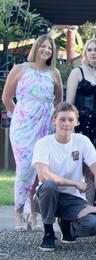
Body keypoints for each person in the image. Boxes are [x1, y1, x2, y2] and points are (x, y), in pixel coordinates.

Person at [2, 34, 63, 232]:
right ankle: (19, 213)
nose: (46, 50)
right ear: (36, 48)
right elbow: (7, 98)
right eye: (43, 46)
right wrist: (21, 115)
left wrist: (49, 120)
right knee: (23, 169)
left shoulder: (54, 73)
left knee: (40, 170)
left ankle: (33, 213)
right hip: (22, 128)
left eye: (50, 48)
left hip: (45, 127)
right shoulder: (20, 69)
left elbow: (58, 102)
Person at [33, 102, 96, 251]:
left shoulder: (82, 141)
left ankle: (67, 225)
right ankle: (48, 233)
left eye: (71, 120)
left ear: (76, 122)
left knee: (93, 225)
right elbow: (43, 175)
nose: (66, 124)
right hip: (45, 197)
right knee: (50, 185)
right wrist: (74, 183)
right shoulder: (43, 143)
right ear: (54, 120)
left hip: (72, 199)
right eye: (62, 119)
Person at [66, 38, 96, 151]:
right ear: (85, 53)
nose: (92, 53)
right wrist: (72, 127)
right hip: (81, 125)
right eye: (89, 50)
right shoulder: (77, 73)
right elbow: (69, 104)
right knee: (79, 162)